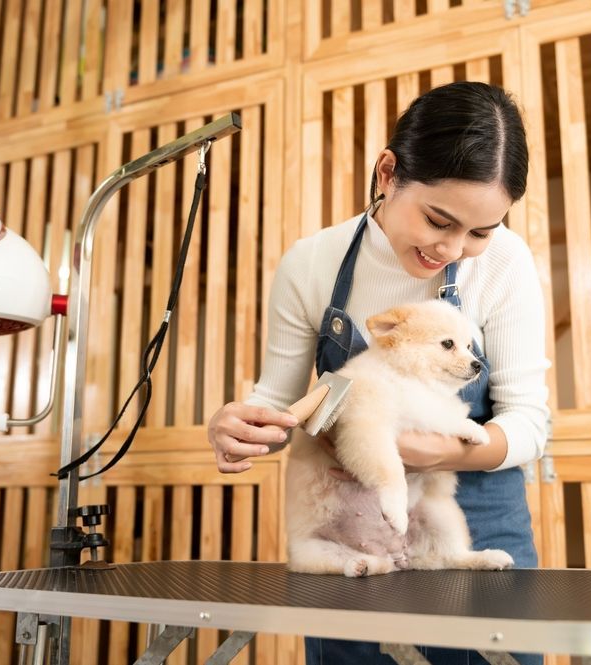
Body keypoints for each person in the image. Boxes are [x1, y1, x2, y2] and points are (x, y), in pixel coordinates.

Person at [207, 81, 550, 665]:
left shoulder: (504, 262)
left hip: (473, 508)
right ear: (387, 173)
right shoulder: (312, 263)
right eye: (439, 220)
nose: (453, 248)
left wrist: (432, 454)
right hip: (350, 524)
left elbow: (529, 423)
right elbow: (286, 404)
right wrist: (245, 424)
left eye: (480, 232)